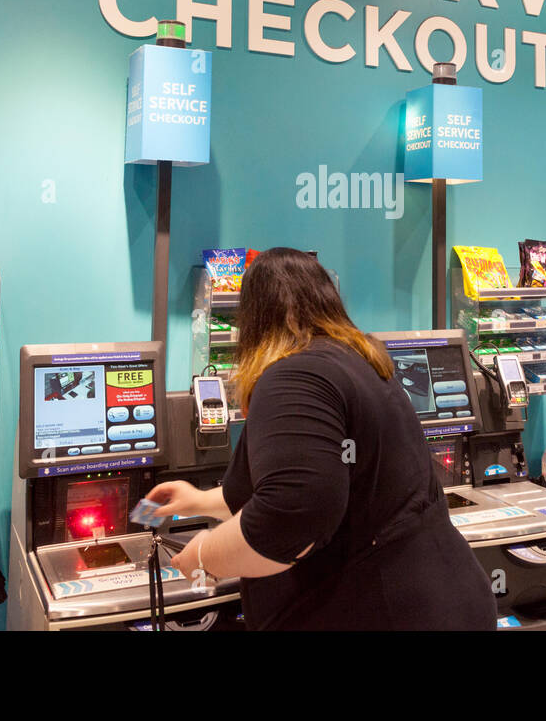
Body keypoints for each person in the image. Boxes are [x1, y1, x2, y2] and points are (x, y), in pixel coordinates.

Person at [146, 247, 497, 630]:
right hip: (445, 594)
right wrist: (197, 501)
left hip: (384, 607)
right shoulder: (361, 360)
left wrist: (204, 556)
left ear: (253, 318)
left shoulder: (292, 377)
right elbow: (297, 480)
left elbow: (292, 513)